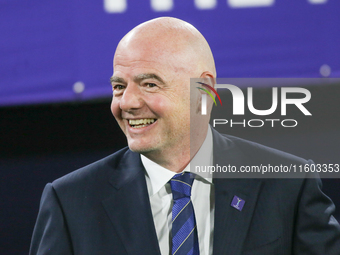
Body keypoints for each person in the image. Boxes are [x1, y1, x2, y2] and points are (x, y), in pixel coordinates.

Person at [30, 17, 340, 255]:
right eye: (118, 86)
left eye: (150, 84)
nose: (127, 103)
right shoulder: (70, 203)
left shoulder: (288, 184)